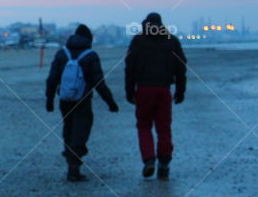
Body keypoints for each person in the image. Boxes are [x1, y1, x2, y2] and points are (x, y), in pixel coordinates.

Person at [45, 24, 119, 182]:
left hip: (64, 99)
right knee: (81, 130)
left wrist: (49, 99)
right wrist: (110, 102)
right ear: (89, 39)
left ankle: (70, 159)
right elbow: (99, 82)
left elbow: (52, 79)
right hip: (83, 100)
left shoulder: (61, 54)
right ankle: (74, 165)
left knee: (68, 128)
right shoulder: (90, 55)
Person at [124, 13, 187, 179]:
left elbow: (129, 68)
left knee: (144, 126)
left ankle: (149, 159)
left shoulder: (138, 41)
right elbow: (181, 67)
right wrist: (180, 90)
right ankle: (164, 164)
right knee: (164, 127)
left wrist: (129, 91)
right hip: (163, 89)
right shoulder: (171, 40)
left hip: (143, 89)